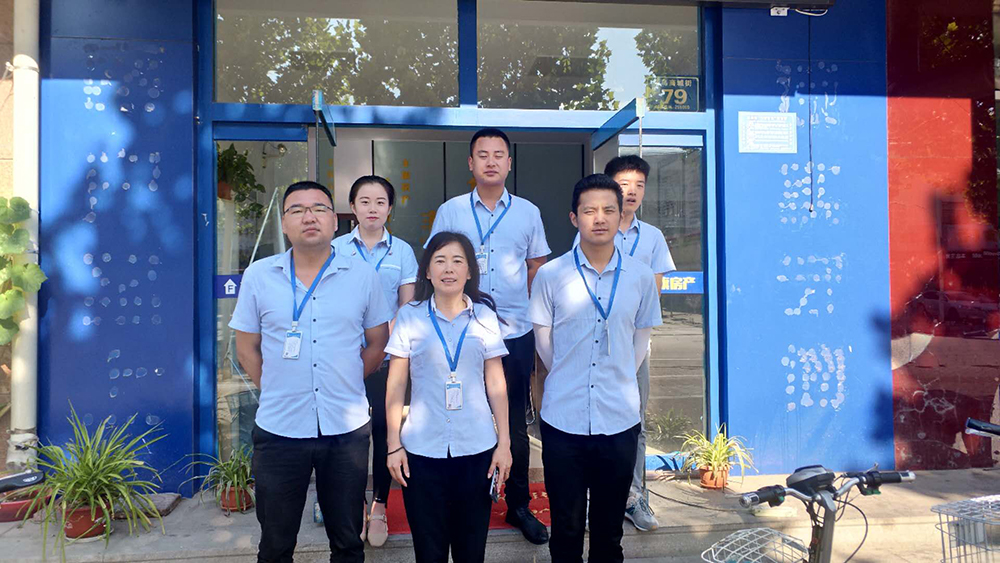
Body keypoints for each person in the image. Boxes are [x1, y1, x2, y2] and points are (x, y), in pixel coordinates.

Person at [231, 181, 393, 563]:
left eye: (319, 208)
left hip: (346, 429)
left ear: (335, 221)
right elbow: (246, 348)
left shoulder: (362, 275)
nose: (309, 217)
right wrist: (276, 387)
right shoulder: (259, 275)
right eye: (297, 210)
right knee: (275, 545)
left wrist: (347, 379)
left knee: (348, 542)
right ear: (284, 223)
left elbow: (378, 342)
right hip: (279, 429)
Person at [528, 174, 663, 563]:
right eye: (589, 210)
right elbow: (544, 342)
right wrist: (570, 374)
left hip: (619, 420)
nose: (599, 218)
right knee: (566, 528)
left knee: (608, 532)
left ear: (621, 216)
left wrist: (615, 375)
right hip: (563, 421)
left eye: (608, 210)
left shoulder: (640, 276)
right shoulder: (551, 275)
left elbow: (641, 340)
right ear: (574, 218)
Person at [426, 128, 550, 544]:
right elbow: (436, 263)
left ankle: (518, 505)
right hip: (460, 332)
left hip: (514, 333)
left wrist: (533, 320)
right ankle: (465, 501)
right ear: (471, 163)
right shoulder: (451, 211)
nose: (491, 161)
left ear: (509, 163)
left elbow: (537, 268)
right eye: (483, 154)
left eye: (499, 154)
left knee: (513, 421)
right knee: (460, 411)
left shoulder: (528, 212)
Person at [384, 231, 513, 563]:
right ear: (427, 271)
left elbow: (496, 383)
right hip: (422, 451)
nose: (449, 268)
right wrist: (393, 444)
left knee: (472, 552)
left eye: (458, 261)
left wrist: (504, 443)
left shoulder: (484, 316)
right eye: (439, 261)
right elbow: (396, 384)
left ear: (470, 271)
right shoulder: (410, 316)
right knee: (429, 552)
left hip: (477, 449)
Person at [574, 155, 676, 531]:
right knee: (588, 419)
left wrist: (631, 333)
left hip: (632, 343)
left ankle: (634, 497)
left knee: (635, 420)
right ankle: (592, 498)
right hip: (589, 344)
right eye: (623, 184)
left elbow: (654, 294)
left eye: (639, 185)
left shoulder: (653, 238)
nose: (631, 191)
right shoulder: (593, 228)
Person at [332, 175, 418, 547]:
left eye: (380, 202)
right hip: (345, 357)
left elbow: (407, 305)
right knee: (349, 434)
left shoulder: (402, 252)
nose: (372, 209)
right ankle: (355, 503)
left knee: (385, 429)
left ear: (389, 208)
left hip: (387, 358)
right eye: (364, 201)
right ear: (352, 207)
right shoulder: (335, 248)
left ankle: (380, 504)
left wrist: (383, 344)